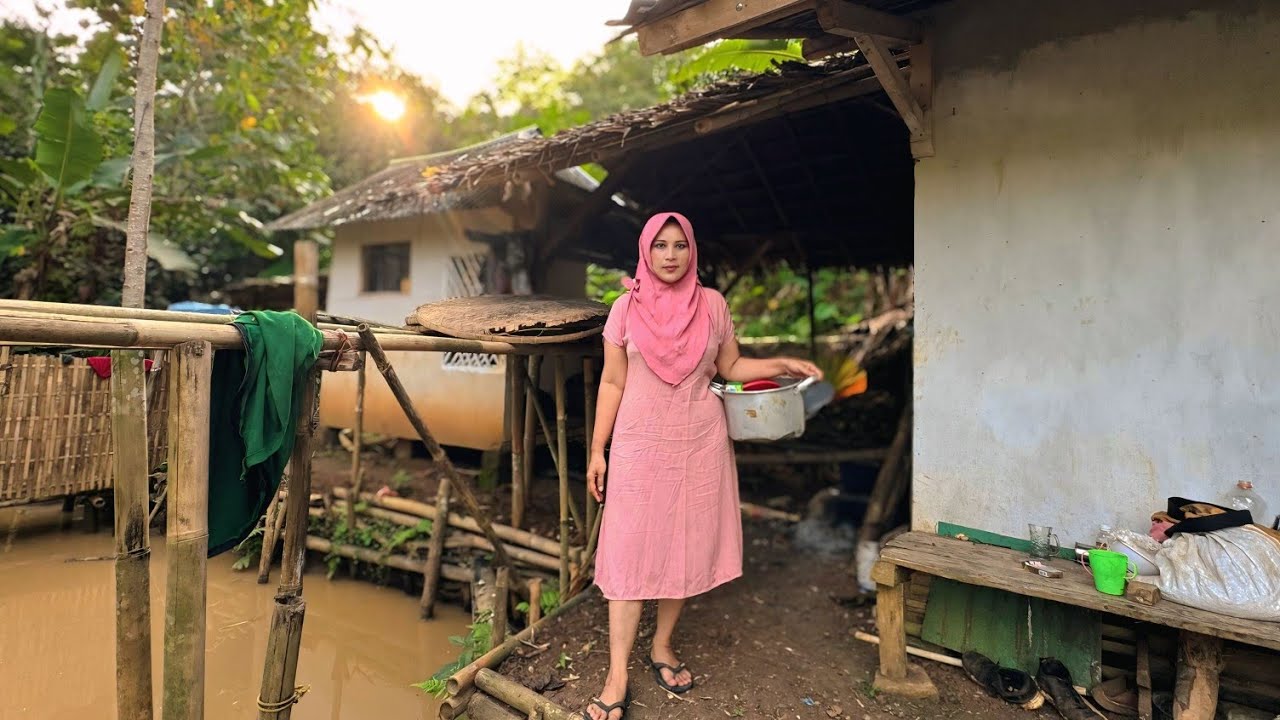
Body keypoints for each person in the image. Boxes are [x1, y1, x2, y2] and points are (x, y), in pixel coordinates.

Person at [584, 212, 822, 720]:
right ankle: (616, 672)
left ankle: (662, 645)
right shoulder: (624, 309)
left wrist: (781, 363)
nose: (670, 256)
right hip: (639, 444)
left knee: (684, 547)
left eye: (680, 246)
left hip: (699, 444)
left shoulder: (712, 304)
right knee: (628, 553)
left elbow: (730, 368)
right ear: (645, 252)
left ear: (693, 251)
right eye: (660, 246)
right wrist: (597, 448)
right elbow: (612, 383)